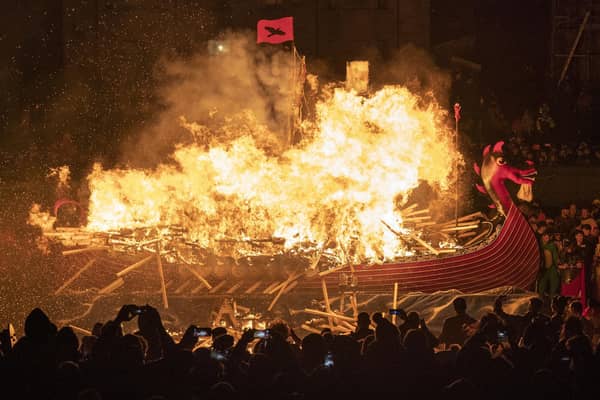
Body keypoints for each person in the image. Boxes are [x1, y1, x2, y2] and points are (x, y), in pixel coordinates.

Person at [539, 231, 560, 300]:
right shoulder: (538, 245)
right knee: (542, 284)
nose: (546, 239)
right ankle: (540, 299)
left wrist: (558, 265)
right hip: (542, 268)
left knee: (554, 283)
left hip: (551, 267)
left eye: (548, 237)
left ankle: (552, 300)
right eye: (545, 237)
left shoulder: (551, 245)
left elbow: (555, 256)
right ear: (542, 237)